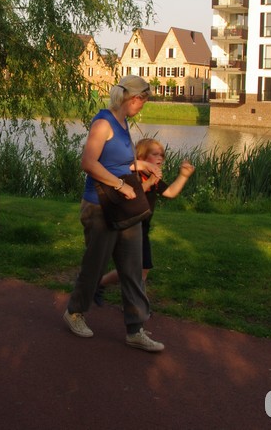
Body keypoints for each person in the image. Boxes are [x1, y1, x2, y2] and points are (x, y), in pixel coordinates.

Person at [62, 74, 165, 352]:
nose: (143, 106)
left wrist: (142, 165)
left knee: (132, 268)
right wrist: (120, 185)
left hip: (123, 205)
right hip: (99, 205)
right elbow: (89, 162)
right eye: (143, 101)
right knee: (95, 264)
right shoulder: (103, 123)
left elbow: (118, 162)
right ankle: (74, 312)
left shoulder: (122, 123)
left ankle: (135, 329)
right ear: (133, 99)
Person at [95, 138, 195, 305]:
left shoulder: (152, 177)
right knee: (134, 270)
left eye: (161, 155)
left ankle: (102, 284)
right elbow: (131, 194)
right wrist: (149, 182)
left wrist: (183, 176)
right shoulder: (133, 175)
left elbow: (170, 192)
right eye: (154, 154)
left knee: (142, 269)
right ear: (141, 157)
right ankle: (136, 305)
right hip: (129, 227)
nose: (160, 158)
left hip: (143, 228)